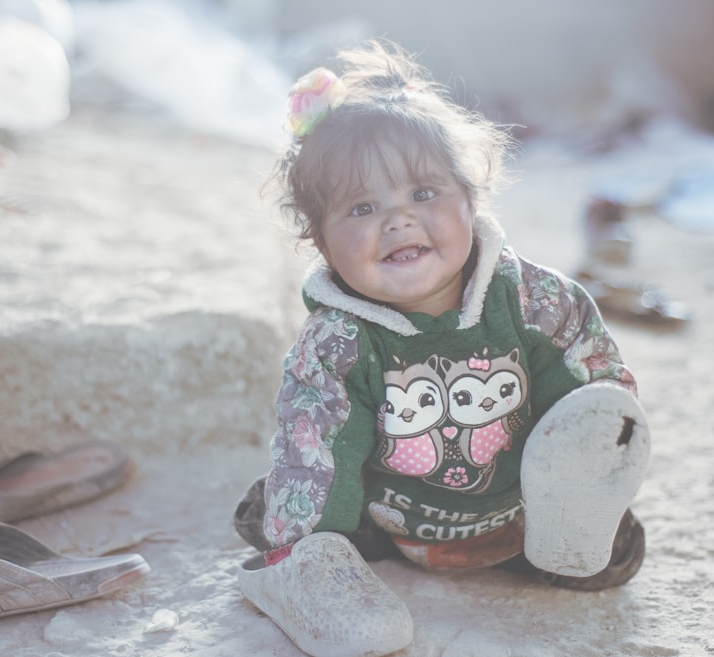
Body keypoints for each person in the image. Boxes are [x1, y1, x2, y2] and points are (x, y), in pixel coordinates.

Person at [233, 39, 651, 657]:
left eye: (423, 194)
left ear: (471, 195)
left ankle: (565, 539)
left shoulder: (535, 301)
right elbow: (316, 444)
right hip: (391, 521)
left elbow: (598, 403)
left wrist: (593, 453)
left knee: (615, 554)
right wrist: (307, 543)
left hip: (520, 517)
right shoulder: (336, 341)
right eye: (363, 207)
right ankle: (316, 573)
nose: (398, 221)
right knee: (273, 504)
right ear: (319, 241)